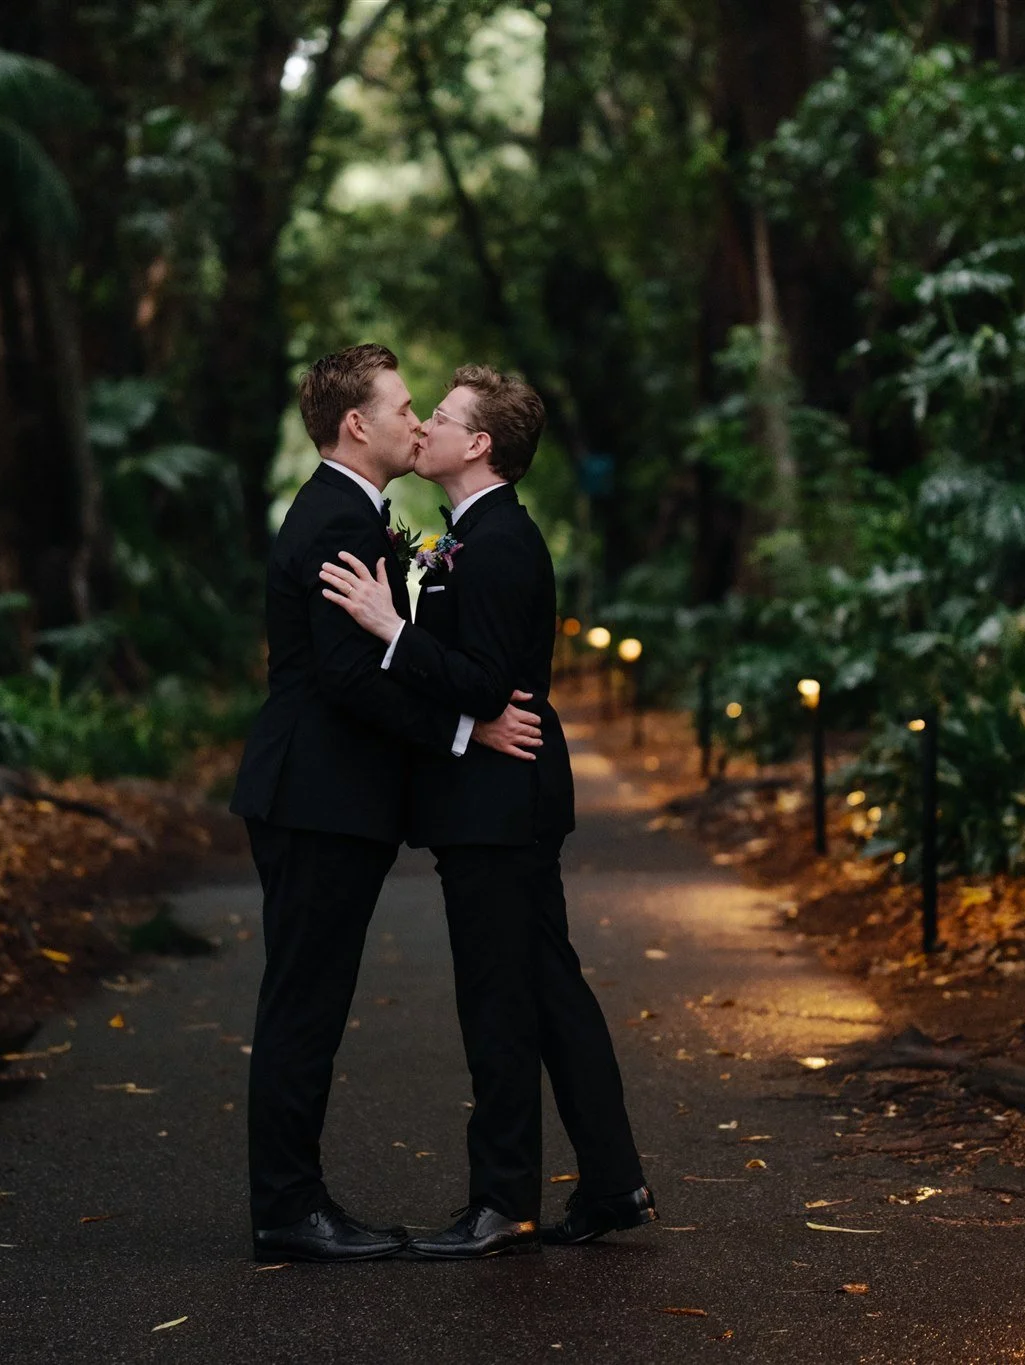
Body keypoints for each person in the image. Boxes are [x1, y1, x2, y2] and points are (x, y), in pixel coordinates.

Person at [318, 364, 655, 1257]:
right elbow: (483, 683)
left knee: (500, 1003)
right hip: (498, 797)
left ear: (480, 445)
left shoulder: (501, 541)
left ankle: (504, 1201)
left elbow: (485, 680)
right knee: (547, 990)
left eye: (440, 415)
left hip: (499, 806)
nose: (421, 424)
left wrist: (393, 628)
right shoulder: (476, 533)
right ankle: (615, 1179)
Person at [229, 344, 544, 1263]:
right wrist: (465, 729)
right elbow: (347, 675)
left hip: (325, 796)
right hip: (316, 796)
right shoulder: (337, 519)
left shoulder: (357, 511)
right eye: (404, 406)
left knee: (309, 1001)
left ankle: (292, 1199)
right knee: (303, 1005)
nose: (417, 420)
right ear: (355, 423)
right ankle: (287, 1208)